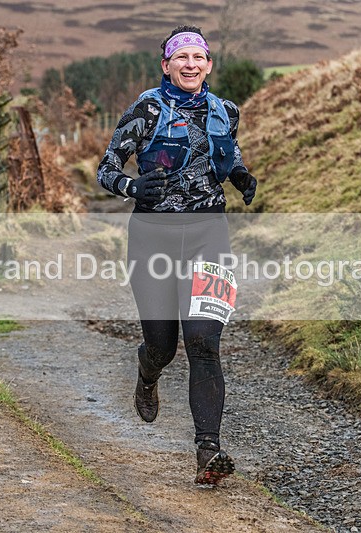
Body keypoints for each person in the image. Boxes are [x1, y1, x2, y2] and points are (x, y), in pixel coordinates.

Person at [96, 25, 257, 485]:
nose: (190, 64)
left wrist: (241, 176)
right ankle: (147, 371)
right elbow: (107, 168)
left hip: (210, 235)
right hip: (153, 238)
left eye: (198, 57)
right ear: (166, 65)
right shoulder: (146, 109)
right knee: (163, 346)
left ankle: (209, 451)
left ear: (208, 65)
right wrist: (131, 186)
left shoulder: (225, 111)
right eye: (181, 57)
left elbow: (227, 155)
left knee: (204, 342)